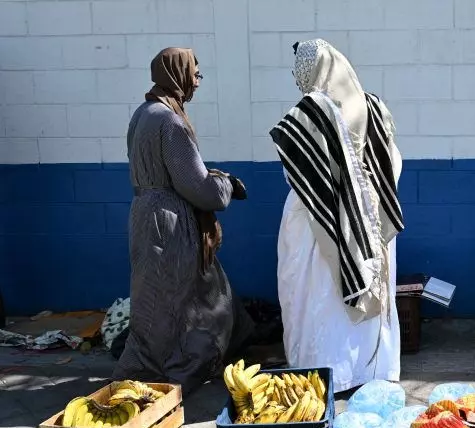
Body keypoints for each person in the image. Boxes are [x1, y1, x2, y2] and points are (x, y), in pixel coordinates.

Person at [112, 48, 254, 395]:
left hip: (145, 216)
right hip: (169, 223)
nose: (197, 82)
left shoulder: (142, 113)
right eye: (195, 74)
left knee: (155, 297)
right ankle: (176, 372)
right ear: (177, 74)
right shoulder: (169, 121)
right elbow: (198, 187)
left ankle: (144, 366)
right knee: (177, 300)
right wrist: (226, 183)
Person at [269, 39, 405, 393]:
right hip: (370, 225)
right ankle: (370, 371)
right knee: (362, 288)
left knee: (320, 297)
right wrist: (362, 198)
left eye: (299, 68)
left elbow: (297, 172)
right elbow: (393, 165)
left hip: (317, 223)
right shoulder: (372, 106)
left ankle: (326, 372)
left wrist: (342, 198)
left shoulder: (311, 111)